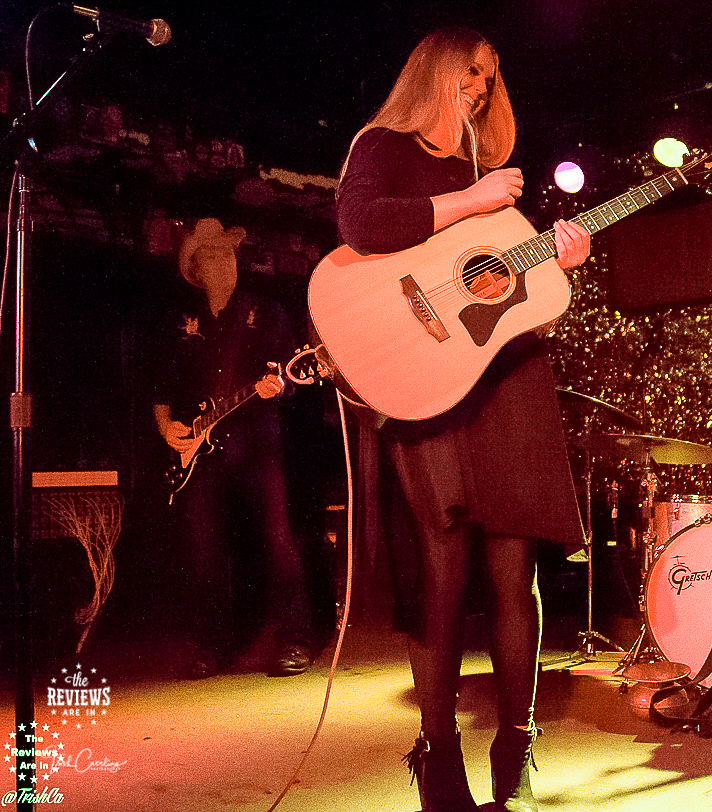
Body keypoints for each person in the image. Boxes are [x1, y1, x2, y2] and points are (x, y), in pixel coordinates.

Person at [333, 28, 591, 812]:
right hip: (426, 381)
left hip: (505, 379)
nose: (482, 83)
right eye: (472, 69)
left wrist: (559, 259)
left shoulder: (490, 170)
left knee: (516, 570)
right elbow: (361, 228)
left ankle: (517, 740)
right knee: (442, 569)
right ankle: (438, 757)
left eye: (492, 74)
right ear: (437, 68)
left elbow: (511, 296)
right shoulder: (382, 145)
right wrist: (467, 200)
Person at [153, 218, 312, 679]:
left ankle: (295, 641)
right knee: (204, 551)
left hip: (258, 445)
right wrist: (168, 431)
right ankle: (211, 648)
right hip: (197, 454)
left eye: (228, 255)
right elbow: (160, 390)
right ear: (196, 269)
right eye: (213, 257)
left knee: (280, 541)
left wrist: (276, 388)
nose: (224, 263)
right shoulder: (182, 323)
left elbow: (289, 377)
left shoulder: (265, 312)